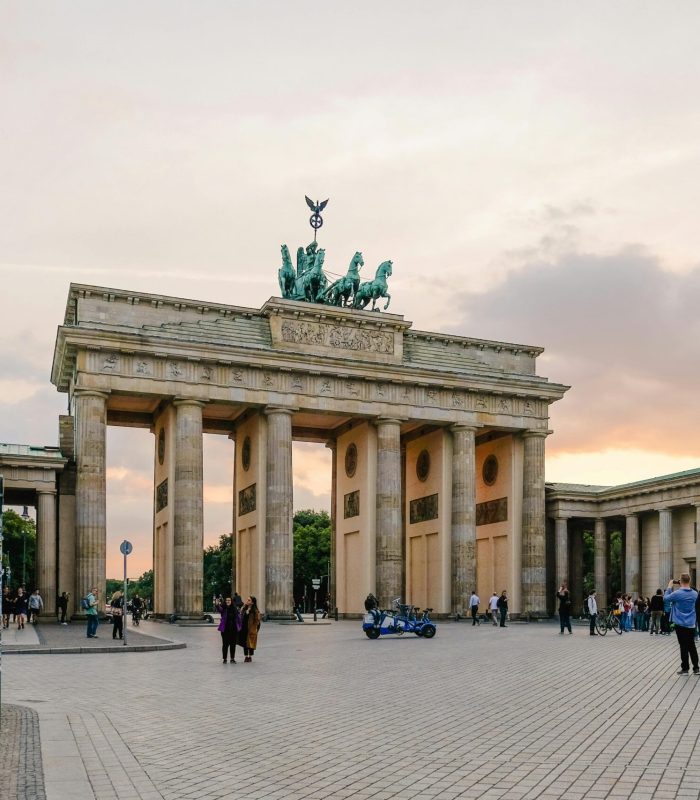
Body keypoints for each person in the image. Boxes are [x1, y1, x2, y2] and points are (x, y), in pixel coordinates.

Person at [664, 574, 699, 675]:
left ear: (680, 581)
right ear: (689, 581)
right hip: (691, 623)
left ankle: (685, 669)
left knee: (683, 646)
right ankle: (696, 668)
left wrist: (670, 586)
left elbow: (666, 599)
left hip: (680, 623)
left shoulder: (677, 593)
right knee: (692, 645)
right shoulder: (694, 594)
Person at [217, 596, 241, 663]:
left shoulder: (235, 608)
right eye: (226, 600)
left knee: (233, 644)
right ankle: (225, 659)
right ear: (225, 601)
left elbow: (239, 617)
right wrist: (217, 604)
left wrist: (239, 626)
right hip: (225, 630)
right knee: (225, 644)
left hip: (233, 629)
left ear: (231, 601)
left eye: (229, 600)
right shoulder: (223, 608)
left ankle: (232, 658)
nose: (227, 601)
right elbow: (219, 609)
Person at [237, 596, 261, 662]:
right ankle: (246, 656)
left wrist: (254, 629)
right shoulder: (244, 608)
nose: (247, 601)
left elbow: (257, 621)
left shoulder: (255, 611)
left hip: (251, 629)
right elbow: (240, 614)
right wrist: (244, 607)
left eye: (249, 600)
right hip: (244, 628)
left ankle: (250, 656)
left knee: (250, 643)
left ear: (252, 602)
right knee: (244, 643)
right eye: (247, 600)